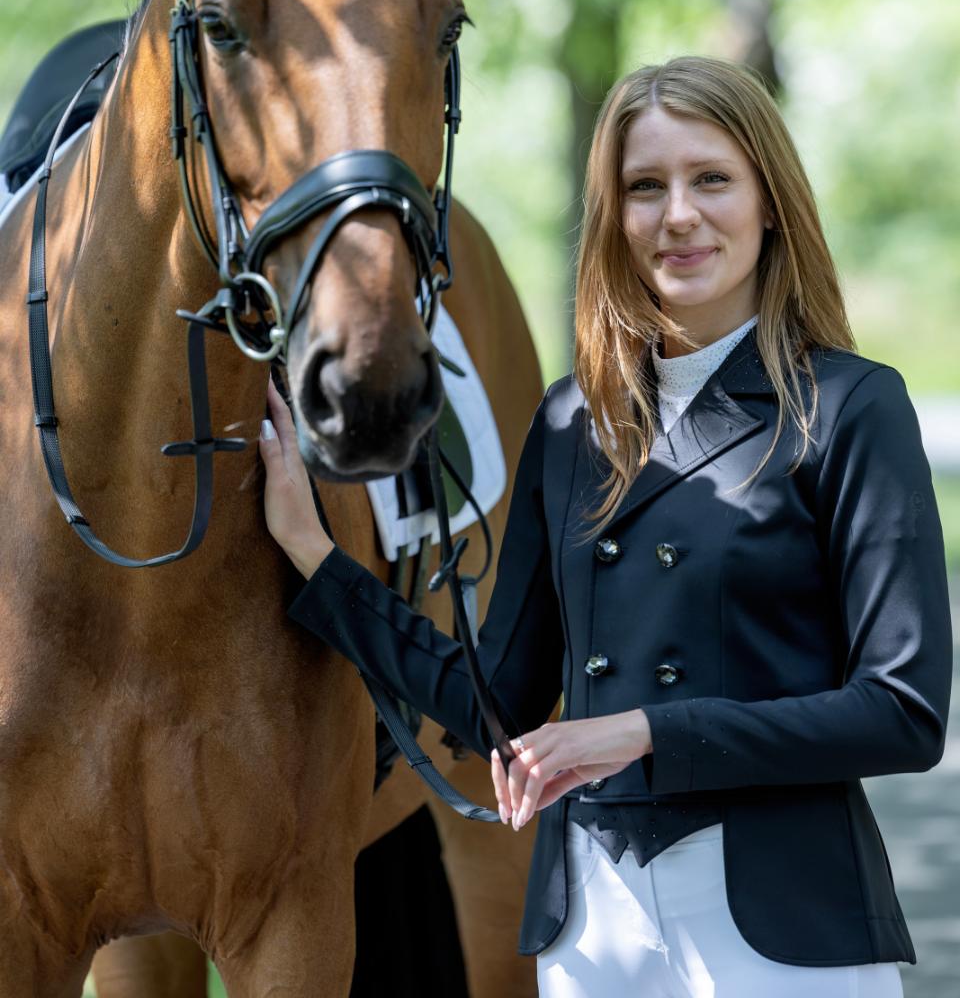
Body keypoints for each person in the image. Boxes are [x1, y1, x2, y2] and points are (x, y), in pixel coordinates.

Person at [259, 54, 952, 997]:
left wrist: (644, 733)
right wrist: (317, 559)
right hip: (590, 925)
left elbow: (902, 713)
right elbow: (497, 703)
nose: (678, 214)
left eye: (712, 178)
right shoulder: (569, 423)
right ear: (614, 218)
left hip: (780, 922)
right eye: (643, 187)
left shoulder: (850, 407)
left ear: (771, 201)